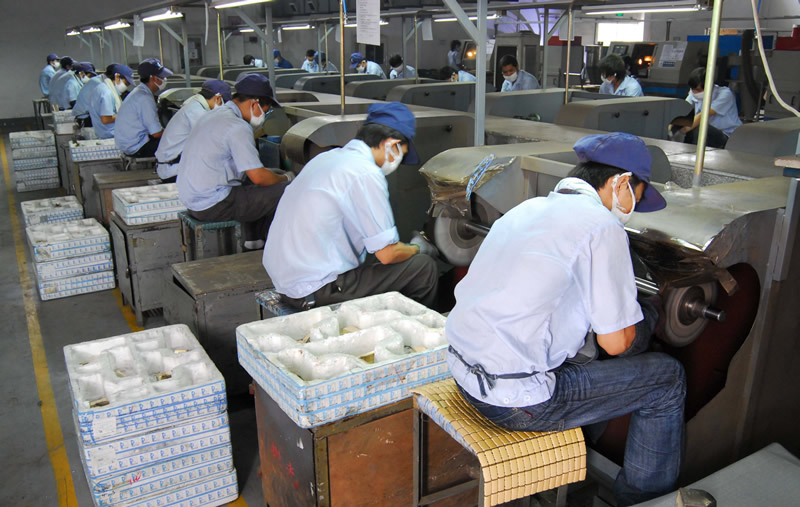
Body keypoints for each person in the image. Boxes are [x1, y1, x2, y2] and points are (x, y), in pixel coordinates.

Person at [446, 132, 684, 507]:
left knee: (590, 354)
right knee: (668, 378)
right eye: (635, 196)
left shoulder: (527, 209)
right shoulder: (602, 226)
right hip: (515, 402)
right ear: (620, 182)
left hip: (463, 373)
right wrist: (649, 313)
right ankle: (644, 501)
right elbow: (616, 344)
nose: (633, 207)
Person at [263, 102, 439, 310]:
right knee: (423, 268)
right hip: (315, 290)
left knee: (371, 260)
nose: (397, 162)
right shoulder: (365, 173)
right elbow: (388, 254)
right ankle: (413, 326)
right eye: (401, 153)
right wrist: (418, 247)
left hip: (288, 285)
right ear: (391, 144)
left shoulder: (327, 158)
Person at [176, 73, 290, 249]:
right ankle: (269, 247)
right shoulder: (237, 126)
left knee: (265, 179)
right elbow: (259, 177)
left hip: (193, 199)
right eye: (265, 111)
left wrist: (275, 175)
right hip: (213, 205)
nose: (263, 116)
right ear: (254, 103)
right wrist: (287, 177)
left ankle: (253, 239)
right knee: (287, 189)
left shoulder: (213, 114)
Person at [155, 80, 232, 182]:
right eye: (224, 103)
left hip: (172, 165)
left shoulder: (195, 105)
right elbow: (213, 143)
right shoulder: (197, 112)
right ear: (218, 98)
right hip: (173, 171)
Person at [115, 58, 173, 158]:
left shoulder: (139, 91)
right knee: (178, 142)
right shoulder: (145, 98)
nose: (164, 80)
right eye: (162, 77)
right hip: (137, 148)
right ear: (153, 78)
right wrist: (174, 131)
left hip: (128, 144)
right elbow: (156, 133)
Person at [677, 67, 742, 149]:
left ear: (709, 86)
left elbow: (703, 116)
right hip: (708, 133)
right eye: (693, 89)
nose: (694, 92)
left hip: (727, 136)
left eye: (698, 90)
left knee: (700, 128)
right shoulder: (693, 93)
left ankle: (695, 154)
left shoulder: (725, 94)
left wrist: (683, 129)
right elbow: (683, 110)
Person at [87, 64, 134, 140]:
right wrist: (125, 115)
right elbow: (106, 119)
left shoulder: (102, 87)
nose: (126, 87)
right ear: (117, 77)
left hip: (103, 132)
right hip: (109, 134)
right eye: (126, 83)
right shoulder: (107, 93)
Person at [72, 62, 102, 127]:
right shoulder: (95, 82)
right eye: (90, 76)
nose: (91, 78)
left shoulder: (87, 83)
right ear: (82, 73)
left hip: (83, 115)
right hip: (85, 117)